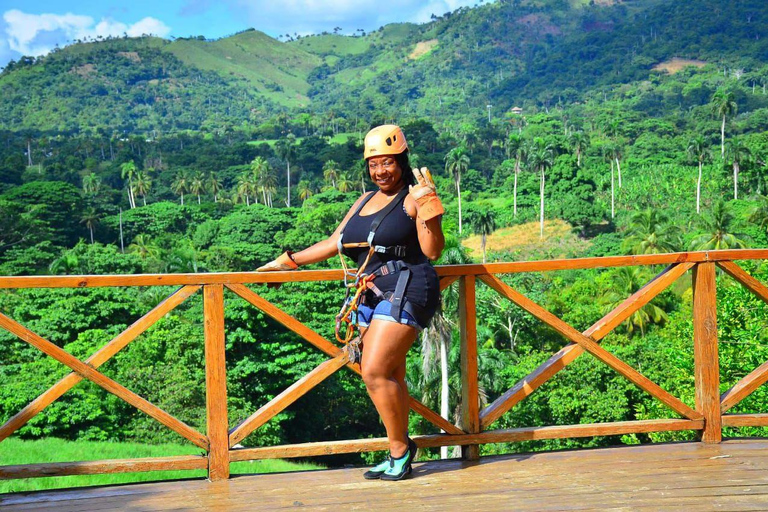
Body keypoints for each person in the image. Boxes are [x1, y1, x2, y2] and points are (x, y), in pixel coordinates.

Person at [257, 125, 445, 480]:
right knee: (390, 374)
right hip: (368, 292)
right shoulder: (363, 200)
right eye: (374, 165)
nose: (380, 172)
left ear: (402, 161)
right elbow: (334, 243)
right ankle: (398, 451)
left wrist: (428, 208)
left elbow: (433, 250)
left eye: (388, 163)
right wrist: (287, 260)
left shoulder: (411, 196)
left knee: (373, 370)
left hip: (407, 285)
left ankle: (400, 451)